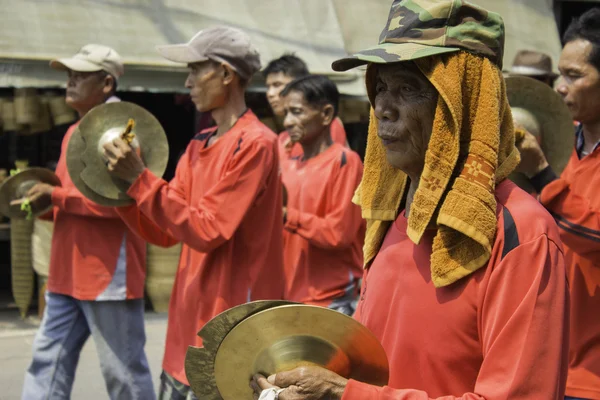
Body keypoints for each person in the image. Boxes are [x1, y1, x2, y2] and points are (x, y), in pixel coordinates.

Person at [251, 0, 569, 399]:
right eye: (380, 87)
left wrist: (344, 394)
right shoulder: (392, 219)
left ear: (465, 102)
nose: (383, 108)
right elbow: (375, 363)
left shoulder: (522, 233)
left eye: (408, 88)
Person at [102, 26, 285, 399]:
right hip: (187, 322)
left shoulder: (256, 143)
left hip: (231, 320)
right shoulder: (198, 145)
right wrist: (122, 193)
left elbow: (208, 229)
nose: (187, 82)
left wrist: (139, 180)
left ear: (225, 74)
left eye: (194, 70)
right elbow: (166, 232)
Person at [21, 45, 155, 399]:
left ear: (107, 83)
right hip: (67, 270)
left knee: (123, 373)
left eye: (80, 76)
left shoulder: (120, 134)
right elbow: (71, 198)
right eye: (69, 75)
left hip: (106, 274)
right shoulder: (76, 130)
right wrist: (42, 203)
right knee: (46, 363)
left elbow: (118, 203)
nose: (70, 82)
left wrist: (55, 197)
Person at [517, 8, 600, 400]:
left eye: (574, 75)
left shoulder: (547, 162)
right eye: (560, 75)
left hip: (591, 376)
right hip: (545, 359)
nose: (561, 87)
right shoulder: (560, 142)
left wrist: (544, 179)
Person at [279, 75, 364, 315]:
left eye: (297, 112)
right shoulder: (288, 163)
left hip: (330, 299)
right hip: (289, 296)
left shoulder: (345, 162)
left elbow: (339, 234)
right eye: (285, 112)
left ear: (326, 114)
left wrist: (287, 216)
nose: (287, 121)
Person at [263, 54, 348, 160]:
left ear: (300, 84)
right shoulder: (283, 138)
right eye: (268, 87)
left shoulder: (327, 126)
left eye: (277, 85)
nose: (270, 93)